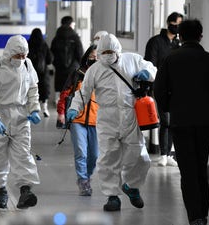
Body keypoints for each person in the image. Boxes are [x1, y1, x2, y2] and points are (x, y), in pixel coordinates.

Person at [68, 33, 156, 212]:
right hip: (107, 118)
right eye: (104, 52)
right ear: (99, 53)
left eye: (111, 51)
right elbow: (84, 92)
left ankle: (132, 186)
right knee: (109, 157)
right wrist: (74, 108)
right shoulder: (95, 70)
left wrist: (148, 74)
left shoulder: (132, 60)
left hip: (130, 116)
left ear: (118, 50)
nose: (108, 54)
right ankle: (112, 196)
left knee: (140, 156)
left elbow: (152, 68)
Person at [154, 19, 209, 225]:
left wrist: (171, 107)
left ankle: (196, 217)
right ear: (200, 36)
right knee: (200, 168)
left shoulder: (171, 59)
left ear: (180, 36)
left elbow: (159, 91)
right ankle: (202, 214)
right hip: (205, 122)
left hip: (181, 122)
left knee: (188, 171)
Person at [0, 35, 41, 209]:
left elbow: (33, 89)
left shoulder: (28, 65)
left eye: (23, 55)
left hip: (20, 117)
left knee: (23, 155)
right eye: (17, 55)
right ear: (9, 53)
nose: (20, 59)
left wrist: (34, 109)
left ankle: (25, 191)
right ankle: (1, 191)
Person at [57, 44, 99, 196]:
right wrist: (61, 113)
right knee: (81, 152)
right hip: (77, 119)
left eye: (98, 57)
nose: (94, 60)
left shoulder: (104, 75)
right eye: (92, 57)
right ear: (86, 56)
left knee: (94, 156)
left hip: (97, 121)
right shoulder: (77, 74)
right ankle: (82, 180)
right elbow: (65, 94)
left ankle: (86, 176)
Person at [144, 11, 183, 167]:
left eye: (180, 25)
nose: (178, 28)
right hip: (159, 86)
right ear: (169, 23)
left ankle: (168, 154)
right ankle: (163, 153)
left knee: (172, 121)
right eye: (176, 25)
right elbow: (149, 64)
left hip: (176, 87)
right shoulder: (156, 42)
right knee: (165, 120)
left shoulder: (178, 44)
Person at [51, 16, 84, 101]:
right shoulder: (75, 37)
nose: (74, 25)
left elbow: (52, 53)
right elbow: (80, 53)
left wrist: (56, 64)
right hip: (73, 68)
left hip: (59, 68)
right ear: (70, 24)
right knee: (71, 89)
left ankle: (60, 106)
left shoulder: (57, 37)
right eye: (73, 23)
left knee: (61, 88)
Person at [27, 28, 53, 117]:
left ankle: (33, 109)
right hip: (43, 72)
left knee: (31, 90)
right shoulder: (44, 44)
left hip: (30, 72)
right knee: (44, 90)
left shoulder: (28, 44)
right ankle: (45, 108)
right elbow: (50, 59)